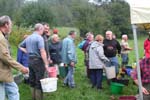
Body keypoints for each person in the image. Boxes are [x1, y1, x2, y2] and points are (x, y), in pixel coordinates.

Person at [0, 15, 28, 100]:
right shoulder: (1, 38)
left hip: (5, 73)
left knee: (13, 91)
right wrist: (21, 68)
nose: (11, 27)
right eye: (11, 25)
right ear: (6, 25)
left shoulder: (3, 36)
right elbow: (5, 57)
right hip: (1, 74)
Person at [20, 23, 49, 100]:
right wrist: (46, 63)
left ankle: (33, 98)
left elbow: (20, 46)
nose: (43, 31)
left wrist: (27, 51)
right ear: (40, 29)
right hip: (38, 61)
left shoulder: (28, 38)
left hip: (30, 60)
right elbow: (42, 51)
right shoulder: (39, 38)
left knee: (32, 80)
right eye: (43, 29)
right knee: (39, 81)